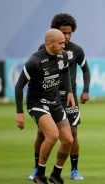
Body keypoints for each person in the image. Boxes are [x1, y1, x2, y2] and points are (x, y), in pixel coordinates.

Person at [28, 13, 91, 181]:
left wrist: (85, 90)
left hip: (68, 99)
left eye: (69, 33)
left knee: (72, 134)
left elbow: (86, 69)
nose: (67, 37)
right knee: (43, 135)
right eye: (63, 33)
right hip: (49, 99)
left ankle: (74, 170)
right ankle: (37, 168)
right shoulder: (45, 48)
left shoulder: (76, 50)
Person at [15, 28, 75, 184]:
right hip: (37, 103)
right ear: (49, 43)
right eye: (60, 43)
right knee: (53, 135)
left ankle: (56, 174)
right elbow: (19, 86)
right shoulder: (35, 61)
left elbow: (66, 70)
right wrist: (19, 113)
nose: (64, 45)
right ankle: (39, 174)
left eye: (64, 42)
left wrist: (69, 91)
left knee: (68, 139)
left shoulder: (63, 56)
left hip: (55, 103)